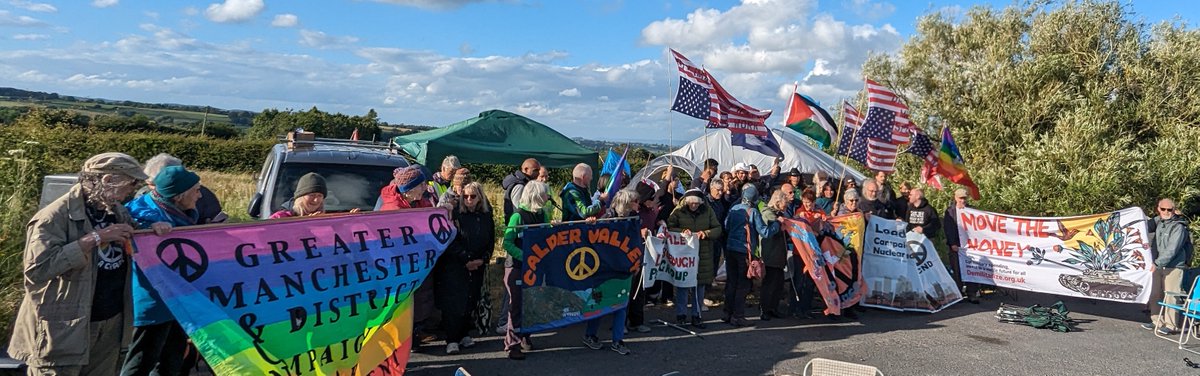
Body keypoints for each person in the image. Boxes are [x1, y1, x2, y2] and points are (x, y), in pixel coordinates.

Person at [9, 153, 145, 376]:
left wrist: (154, 231)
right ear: (108, 180)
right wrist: (94, 239)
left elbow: (134, 237)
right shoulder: (53, 217)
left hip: (110, 323)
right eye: (131, 183)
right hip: (64, 327)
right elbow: (37, 270)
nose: (133, 190)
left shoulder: (116, 210)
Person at [121, 165, 204, 376]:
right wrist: (148, 229)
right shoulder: (145, 216)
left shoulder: (177, 213)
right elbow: (132, 232)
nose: (200, 195)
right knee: (142, 360)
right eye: (196, 190)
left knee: (172, 359)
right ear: (178, 196)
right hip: (153, 300)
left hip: (177, 298)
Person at [439, 182, 494, 355]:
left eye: (473, 196)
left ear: (480, 198)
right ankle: (452, 338)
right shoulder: (455, 215)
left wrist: (483, 259)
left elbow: (491, 240)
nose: (469, 199)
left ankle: (464, 334)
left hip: (478, 264)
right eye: (466, 196)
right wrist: (466, 259)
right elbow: (450, 240)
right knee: (455, 303)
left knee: (472, 299)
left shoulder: (486, 216)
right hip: (457, 265)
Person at [501, 181, 554, 360]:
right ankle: (512, 344)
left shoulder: (543, 214)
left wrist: (554, 228)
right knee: (515, 306)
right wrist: (525, 257)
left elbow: (546, 236)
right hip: (516, 267)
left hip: (535, 267)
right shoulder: (518, 216)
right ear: (536, 196)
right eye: (545, 194)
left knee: (531, 303)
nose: (548, 197)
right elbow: (507, 242)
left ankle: (525, 335)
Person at [584, 189, 641, 355]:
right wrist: (591, 224)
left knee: (621, 304)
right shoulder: (608, 217)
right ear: (626, 203)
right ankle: (590, 335)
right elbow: (593, 238)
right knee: (599, 303)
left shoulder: (633, 218)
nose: (638, 204)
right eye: (635, 202)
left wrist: (636, 262)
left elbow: (636, 242)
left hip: (624, 268)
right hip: (605, 269)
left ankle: (618, 340)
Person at [667, 189, 723, 329]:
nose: (694, 206)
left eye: (697, 204)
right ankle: (681, 315)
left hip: (703, 254)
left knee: (700, 286)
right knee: (683, 286)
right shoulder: (678, 211)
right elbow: (669, 227)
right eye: (691, 203)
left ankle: (696, 315)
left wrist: (706, 233)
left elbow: (717, 228)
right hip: (684, 254)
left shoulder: (708, 211)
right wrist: (682, 232)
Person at [497, 158, 540, 334]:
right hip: (518, 242)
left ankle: (517, 324)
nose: (538, 173)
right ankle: (505, 323)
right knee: (513, 289)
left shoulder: (519, 183)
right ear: (526, 169)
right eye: (535, 170)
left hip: (520, 243)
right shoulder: (520, 187)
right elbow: (518, 212)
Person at [723, 184, 773, 327]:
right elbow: (764, 232)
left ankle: (727, 313)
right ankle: (738, 316)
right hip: (744, 251)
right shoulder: (753, 212)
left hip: (730, 249)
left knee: (731, 282)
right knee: (743, 284)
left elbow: (726, 226)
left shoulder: (734, 208)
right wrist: (775, 224)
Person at [1143, 198, 1193, 335]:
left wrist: (1157, 263)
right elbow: (1144, 226)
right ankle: (1156, 321)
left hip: (1174, 266)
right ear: (1158, 209)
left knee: (1171, 295)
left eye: (1169, 209)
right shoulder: (1159, 221)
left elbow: (1172, 249)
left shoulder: (1179, 227)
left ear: (1174, 210)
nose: (1166, 212)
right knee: (1155, 293)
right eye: (1163, 209)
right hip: (1158, 265)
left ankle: (1171, 325)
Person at [141, 153, 226, 225]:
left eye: (153, 184)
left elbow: (216, 221)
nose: (157, 191)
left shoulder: (204, 195)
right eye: (150, 184)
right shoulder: (144, 208)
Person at [943, 188, 979, 304]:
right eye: (960, 198)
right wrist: (952, 243)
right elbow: (948, 228)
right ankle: (958, 293)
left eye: (964, 198)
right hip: (956, 245)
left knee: (971, 269)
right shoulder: (950, 211)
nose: (962, 201)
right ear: (955, 198)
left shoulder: (971, 210)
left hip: (969, 245)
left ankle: (972, 293)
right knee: (957, 270)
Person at [758, 190, 789, 321]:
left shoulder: (780, 214)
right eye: (784, 203)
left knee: (778, 283)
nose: (786, 205)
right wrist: (779, 223)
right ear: (777, 202)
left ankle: (773, 307)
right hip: (770, 254)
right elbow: (768, 232)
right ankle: (764, 309)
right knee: (769, 283)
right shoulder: (767, 213)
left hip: (779, 254)